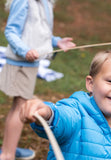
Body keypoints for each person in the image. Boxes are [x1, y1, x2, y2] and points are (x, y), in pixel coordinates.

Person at [19, 49, 111, 160]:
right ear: (91, 84)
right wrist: (47, 112)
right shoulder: (77, 113)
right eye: (110, 81)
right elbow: (62, 117)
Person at [0, 0, 76, 159]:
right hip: (20, 63)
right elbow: (11, 31)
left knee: (19, 105)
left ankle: (9, 148)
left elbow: (40, 33)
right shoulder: (23, 2)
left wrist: (57, 41)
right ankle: (7, 153)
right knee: (20, 106)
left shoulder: (46, 3)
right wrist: (25, 50)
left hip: (31, 64)